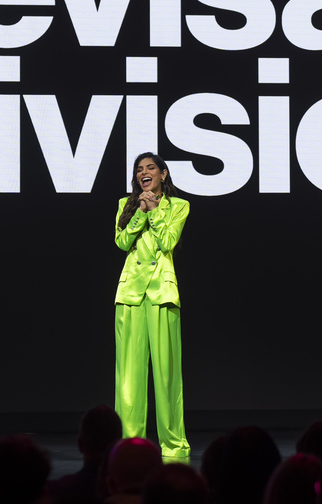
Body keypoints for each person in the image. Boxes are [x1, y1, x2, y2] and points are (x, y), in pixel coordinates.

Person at [113, 153, 191, 461]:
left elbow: (168, 242)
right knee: (128, 376)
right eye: (139, 169)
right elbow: (121, 242)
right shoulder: (125, 204)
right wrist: (141, 212)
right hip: (130, 293)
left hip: (162, 293)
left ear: (163, 174)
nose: (144, 173)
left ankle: (173, 446)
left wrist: (156, 211)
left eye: (150, 168)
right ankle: (129, 445)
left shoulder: (179, 206)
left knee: (167, 374)